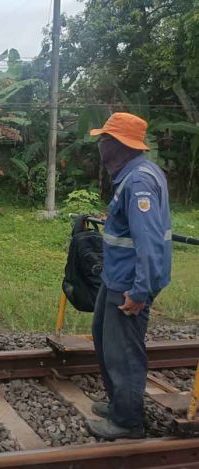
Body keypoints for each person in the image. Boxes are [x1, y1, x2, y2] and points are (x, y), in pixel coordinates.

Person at [86, 112, 172, 440]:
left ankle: (128, 421)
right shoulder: (133, 174)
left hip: (129, 283)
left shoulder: (138, 182)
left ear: (120, 145)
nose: (100, 144)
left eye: (105, 139)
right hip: (115, 276)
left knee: (123, 352)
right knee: (104, 340)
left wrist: (140, 291)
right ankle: (118, 402)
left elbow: (148, 242)